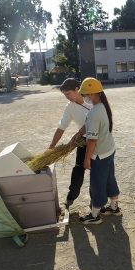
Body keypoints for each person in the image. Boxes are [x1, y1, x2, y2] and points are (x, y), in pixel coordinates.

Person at [78, 77, 121, 224]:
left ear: (91, 94)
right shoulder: (102, 106)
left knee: (96, 184)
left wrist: (86, 159)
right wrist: (77, 135)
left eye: (84, 94)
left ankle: (95, 215)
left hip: (99, 155)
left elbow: (92, 140)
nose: (83, 97)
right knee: (109, 179)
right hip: (109, 149)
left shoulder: (94, 112)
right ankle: (114, 207)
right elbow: (90, 129)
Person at [48, 78, 92, 209]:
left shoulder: (91, 99)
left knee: (96, 172)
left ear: (77, 89)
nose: (67, 98)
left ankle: (95, 201)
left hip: (98, 141)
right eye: (65, 95)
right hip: (83, 141)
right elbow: (61, 127)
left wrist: (77, 133)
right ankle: (70, 198)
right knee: (78, 169)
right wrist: (51, 147)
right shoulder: (70, 107)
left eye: (68, 94)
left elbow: (96, 119)